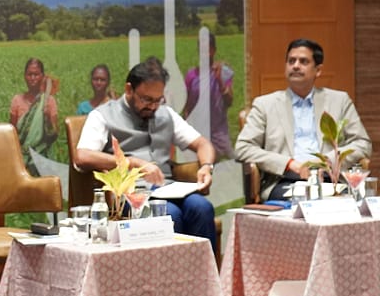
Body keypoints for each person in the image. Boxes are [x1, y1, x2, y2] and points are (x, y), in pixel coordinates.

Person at [75, 57, 218, 252]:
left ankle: (203, 279)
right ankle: (168, 281)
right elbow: (82, 156)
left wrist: (206, 167)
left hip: (167, 188)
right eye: (146, 99)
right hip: (130, 194)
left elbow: (203, 144)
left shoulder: (166, 114)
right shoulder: (103, 115)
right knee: (169, 215)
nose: (152, 106)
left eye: (157, 100)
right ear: (129, 90)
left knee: (202, 208)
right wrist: (131, 163)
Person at [235, 38, 372, 200]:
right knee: (308, 199)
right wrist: (288, 164)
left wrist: (328, 161)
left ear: (318, 70)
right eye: (291, 61)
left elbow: (363, 143)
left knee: (345, 203)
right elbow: (243, 148)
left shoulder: (339, 101)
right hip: (285, 181)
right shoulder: (265, 105)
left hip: (331, 180)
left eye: (303, 61)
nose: (296, 66)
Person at [181, 33, 234, 158]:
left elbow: (229, 101)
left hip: (218, 131)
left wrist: (219, 80)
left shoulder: (223, 72)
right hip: (197, 130)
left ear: (213, 50)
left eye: (207, 49)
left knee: (231, 160)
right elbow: (187, 106)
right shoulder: (192, 75)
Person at [9, 58, 59, 174]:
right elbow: (12, 134)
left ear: (42, 76)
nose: (32, 78)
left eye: (36, 74)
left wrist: (47, 117)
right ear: (24, 76)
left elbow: (54, 134)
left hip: (43, 159)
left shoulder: (49, 101)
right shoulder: (17, 101)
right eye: (29, 74)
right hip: (22, 160)